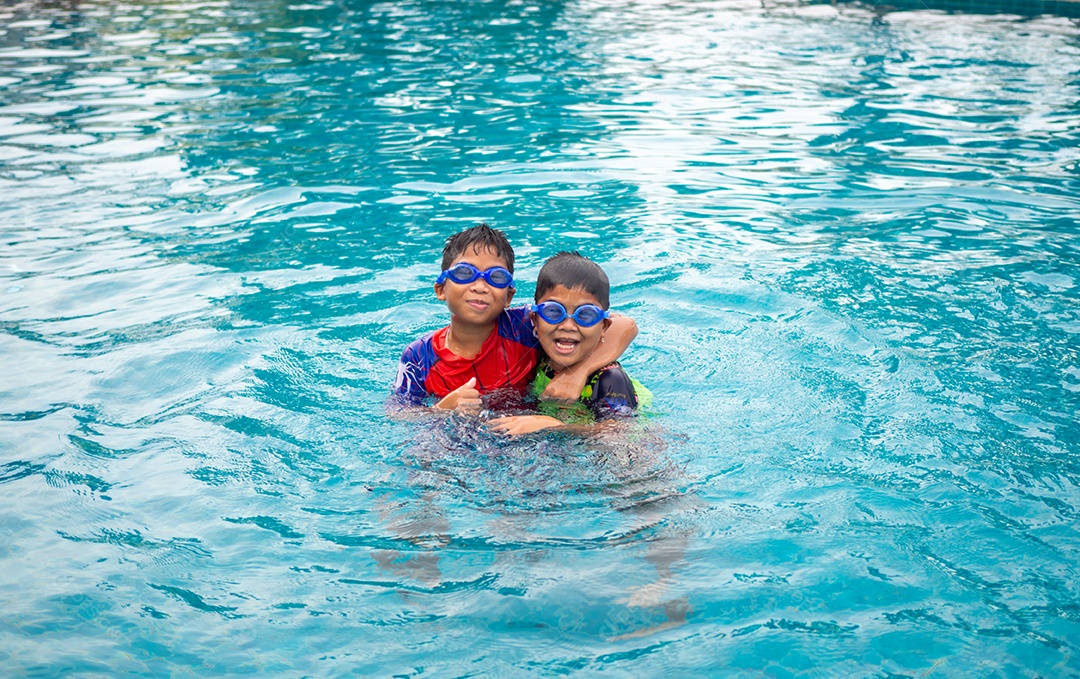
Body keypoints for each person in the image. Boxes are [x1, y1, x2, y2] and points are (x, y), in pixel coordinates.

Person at [392, 225, 637, 411]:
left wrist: (575, 375)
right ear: (441, 289)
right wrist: (440, 411)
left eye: (495, 277)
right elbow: (398, 413)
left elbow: (623, 325)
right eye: (465, 273)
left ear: (509, 296)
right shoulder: (418, 356)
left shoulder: (523, 325)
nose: (480, 286)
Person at [489, 252, 649, 435]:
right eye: (553, 312)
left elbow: (620, 436)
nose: (567, 325)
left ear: (603, 325)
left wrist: (553, 426)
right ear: (535, 319)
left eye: (586, 315)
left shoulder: (610, 380)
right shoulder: (537, 347)